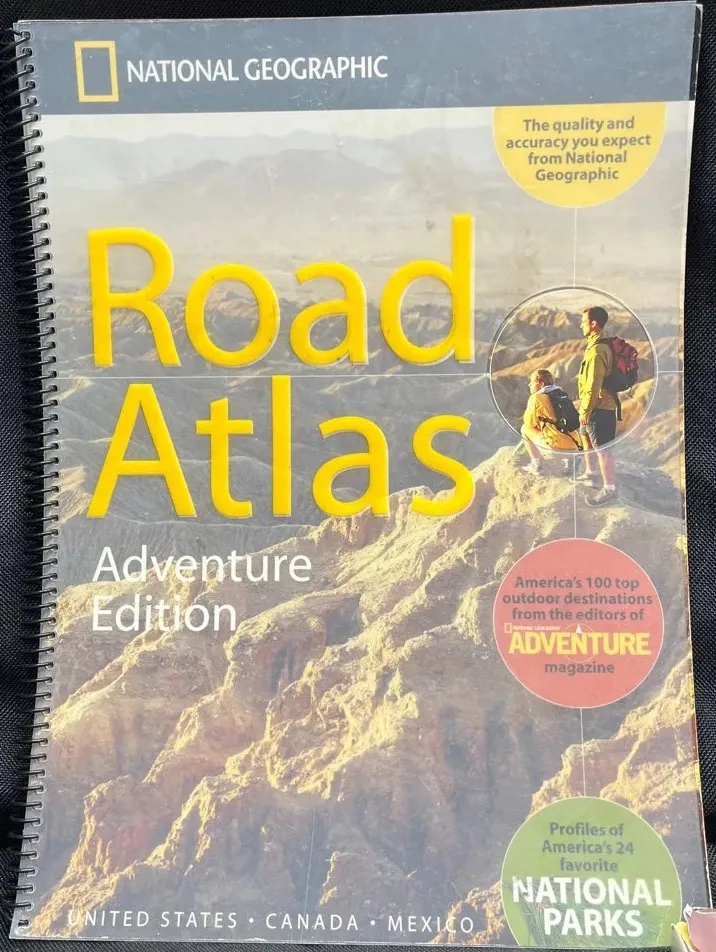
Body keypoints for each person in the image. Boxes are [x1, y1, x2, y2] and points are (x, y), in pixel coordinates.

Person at [577, 305, 618, 506]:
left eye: (583, 322)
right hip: (594, 405)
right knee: (585, 436)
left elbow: (594, 384)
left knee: (603, 450)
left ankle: (609, 490)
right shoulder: (596, 345)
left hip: (599, 407)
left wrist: (586, 410)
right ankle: (590, 474)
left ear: (593, 324)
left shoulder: (597, 350)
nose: (581, 325)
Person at [520, 368, 581, 475]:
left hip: (555, 448)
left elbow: (529, 423)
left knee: (524, 429)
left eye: (532, 382)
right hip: (574, 445)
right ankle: (569, 461)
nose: (529, 385)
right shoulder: (562, 394)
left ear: (541, 384)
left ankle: (536, 465)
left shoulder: (536, 398)